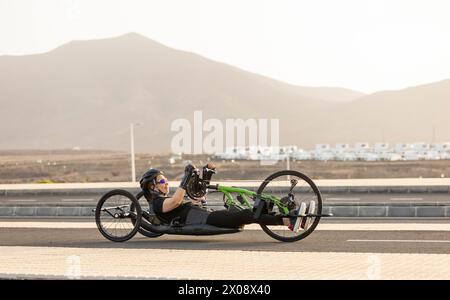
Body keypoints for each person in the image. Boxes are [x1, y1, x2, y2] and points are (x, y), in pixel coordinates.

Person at [139, 164, 314, 231]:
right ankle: (289, 221)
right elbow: (177, 200)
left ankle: (292, 218)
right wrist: (185, 178)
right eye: (162, 181)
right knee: (247, 214)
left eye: (166, 180)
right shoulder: (157, 204)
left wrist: (204, 178)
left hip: (206, 214)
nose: (166, 183)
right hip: (206, 219)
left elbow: (192, 200)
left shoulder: (167, 200)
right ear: (152, 187)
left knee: (255, 209)